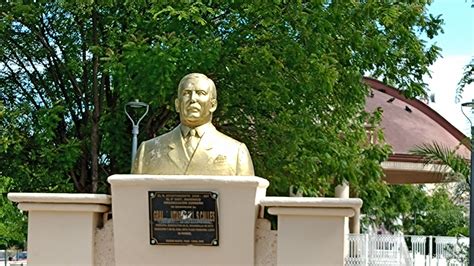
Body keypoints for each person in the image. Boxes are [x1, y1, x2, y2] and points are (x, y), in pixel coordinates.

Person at [131, 73, 254, 176]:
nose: (193, 99)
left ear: (213, 105)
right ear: (177, 104)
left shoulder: (236, 152)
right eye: (186, 93)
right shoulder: (148, 151)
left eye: (201, 93)